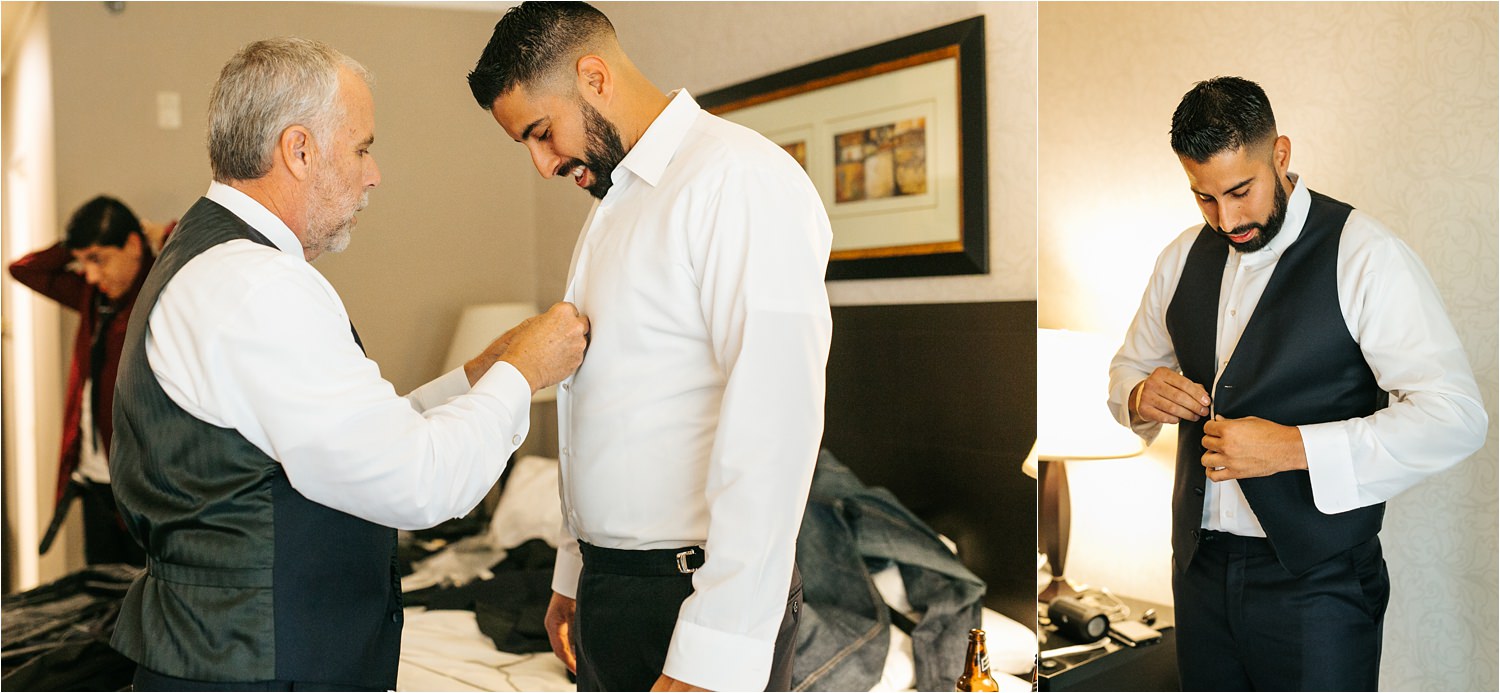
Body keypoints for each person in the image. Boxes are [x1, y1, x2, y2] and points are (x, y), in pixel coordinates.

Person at [109, 37, 590, 691]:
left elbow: (346, 445)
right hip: (255, 671)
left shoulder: (209, 264)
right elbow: (417, 481)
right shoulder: (258, 285)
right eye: (363, 146)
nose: (374, 173)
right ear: (299, 149)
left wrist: (474, 378)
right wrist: (524, 373)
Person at [467, 4, 833, 691]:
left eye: (542, 133)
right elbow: (601, 410)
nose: (542, 164)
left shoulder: (739, 181)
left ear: (594, 76)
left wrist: (713, 653)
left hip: (697, 598)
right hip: (615, 595)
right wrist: (574, 575)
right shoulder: (616, 207)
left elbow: (774, 432)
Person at [1107, 76, 1487, 690]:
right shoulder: (1180, 257)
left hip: (1320, 584)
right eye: (1203, 198)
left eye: (1240, 190)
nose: (1226, 219)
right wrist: (1138, 394)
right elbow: (1128, 365)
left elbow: (1456, 416)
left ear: (1280, 155)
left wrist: (1292, 449)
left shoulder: (1365, 254)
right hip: (1199, 571)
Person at [7, 196, 171, 567]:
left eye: (98, 259)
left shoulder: (165, 288)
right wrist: (75, 245)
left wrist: (163, 234)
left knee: (143, 603)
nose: (91, 275)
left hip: (145, 487)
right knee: (98, 603)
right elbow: (25, 270)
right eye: (84, 262)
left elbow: (205, 256)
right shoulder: (92, 293)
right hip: (94, 482)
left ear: (131, 244)